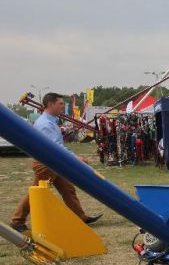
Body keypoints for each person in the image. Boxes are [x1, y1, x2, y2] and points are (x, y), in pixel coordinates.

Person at [11, 93, 102, 232]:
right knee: (37, 192)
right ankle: (17, 220)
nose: (62, 106)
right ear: (50, 104)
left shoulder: (51, 122)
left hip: (54, 163)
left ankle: (80, 217)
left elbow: (58, 146)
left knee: (68, 189)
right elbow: (56, 148)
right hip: (46, 164)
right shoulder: (45, 124)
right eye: (60, 104)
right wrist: (76, 158)